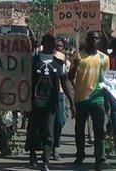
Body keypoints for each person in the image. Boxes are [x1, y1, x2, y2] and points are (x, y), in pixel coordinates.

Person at [25, 33, 76, 171]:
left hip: (51, 104)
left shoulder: (59, 64)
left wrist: (71, 102)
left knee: (48, 131)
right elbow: (26, 82)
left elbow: (65, 83)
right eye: (48, 43)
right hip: (34, 103)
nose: (51, 46)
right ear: (44, 44)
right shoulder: (33, 61)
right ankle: (32, 155)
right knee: (33, 130)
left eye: (52, 44)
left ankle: (45, 161)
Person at [69, 31, 110, 170]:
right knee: (79, 129)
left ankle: (100, 157)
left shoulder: (104, 58)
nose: (94, 41)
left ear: (99, 41)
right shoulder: (79, 56)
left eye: (96, 39)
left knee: (99, 129)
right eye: (91, 38)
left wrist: (107, 101)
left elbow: (106, 80)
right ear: (86, 40)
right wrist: (75, 65)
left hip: (97, 98)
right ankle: (80, 155)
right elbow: (69, 76)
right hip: (81, 99)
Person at [52, 38, 72, 160]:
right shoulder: (47, 58)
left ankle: (55, 145)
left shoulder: (66, 62)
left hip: (60, 94)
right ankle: (50, 149)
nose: (58, 48)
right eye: (56, 46)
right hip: (47, 95)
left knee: (60, 121)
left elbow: (66, 80)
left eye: (60, 46)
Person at [104, 38, 116, 145]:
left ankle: (111, 126)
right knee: (114, 108)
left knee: (115, 109)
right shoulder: (108, 58)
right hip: (109, 88)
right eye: (115, 44)